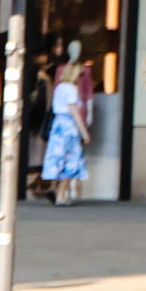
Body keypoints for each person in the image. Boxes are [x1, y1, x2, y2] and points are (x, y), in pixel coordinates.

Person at [43, 63, 89, 205]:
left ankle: (55, 189)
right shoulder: (71, 90)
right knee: (70, 160)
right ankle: (61, 196)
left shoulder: (59, 88)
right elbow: (75, 112)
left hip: (57, 126)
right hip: (68, 127)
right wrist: (85, 133)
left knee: (58, 159)